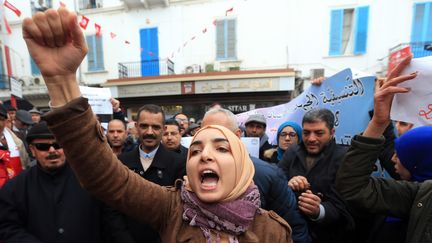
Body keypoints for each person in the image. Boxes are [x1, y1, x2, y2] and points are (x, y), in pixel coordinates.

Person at [23, 8, 292, 242]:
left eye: (221, 149)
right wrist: (61, 81)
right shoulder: (172, 209)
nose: (205, 154)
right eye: (195, 150)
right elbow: (104, 176)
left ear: (243, 162)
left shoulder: (272, 231)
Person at [334, 55, 432, 243]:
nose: (393, 159)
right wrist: (379, 121)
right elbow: (352, 186)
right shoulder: (419, 195)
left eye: (401, 155)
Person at [0, 121, 123, 242]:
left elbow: (111, 221)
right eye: (43, 147)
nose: (52, 150)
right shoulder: (16, 188)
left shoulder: (92, 179)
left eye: (58, 144)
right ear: (32, 150)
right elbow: (8, 227)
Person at [202, 107, 310, 243]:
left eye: (218, 135)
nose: (208, 141)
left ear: (237, 135)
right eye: (203, 134)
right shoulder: (192, 174)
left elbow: (294, 227)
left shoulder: (267, 174)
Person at [278, 108, 354, 243]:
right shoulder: (292, 152)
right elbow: (276, 184)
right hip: (292, 232)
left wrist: (319, 211)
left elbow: (347, 207)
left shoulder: (344, 158)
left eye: (319, 133)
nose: (311, 139)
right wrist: (289, 183)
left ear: (332, 133)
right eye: (306, 133)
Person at [118, 104, 186, 242]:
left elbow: (179, 212)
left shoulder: (178, 163)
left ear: (164, 128)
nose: (149, 132)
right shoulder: (121, 162)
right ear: (136, 127)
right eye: (144, 126)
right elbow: (112, 206)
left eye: (155, 127)